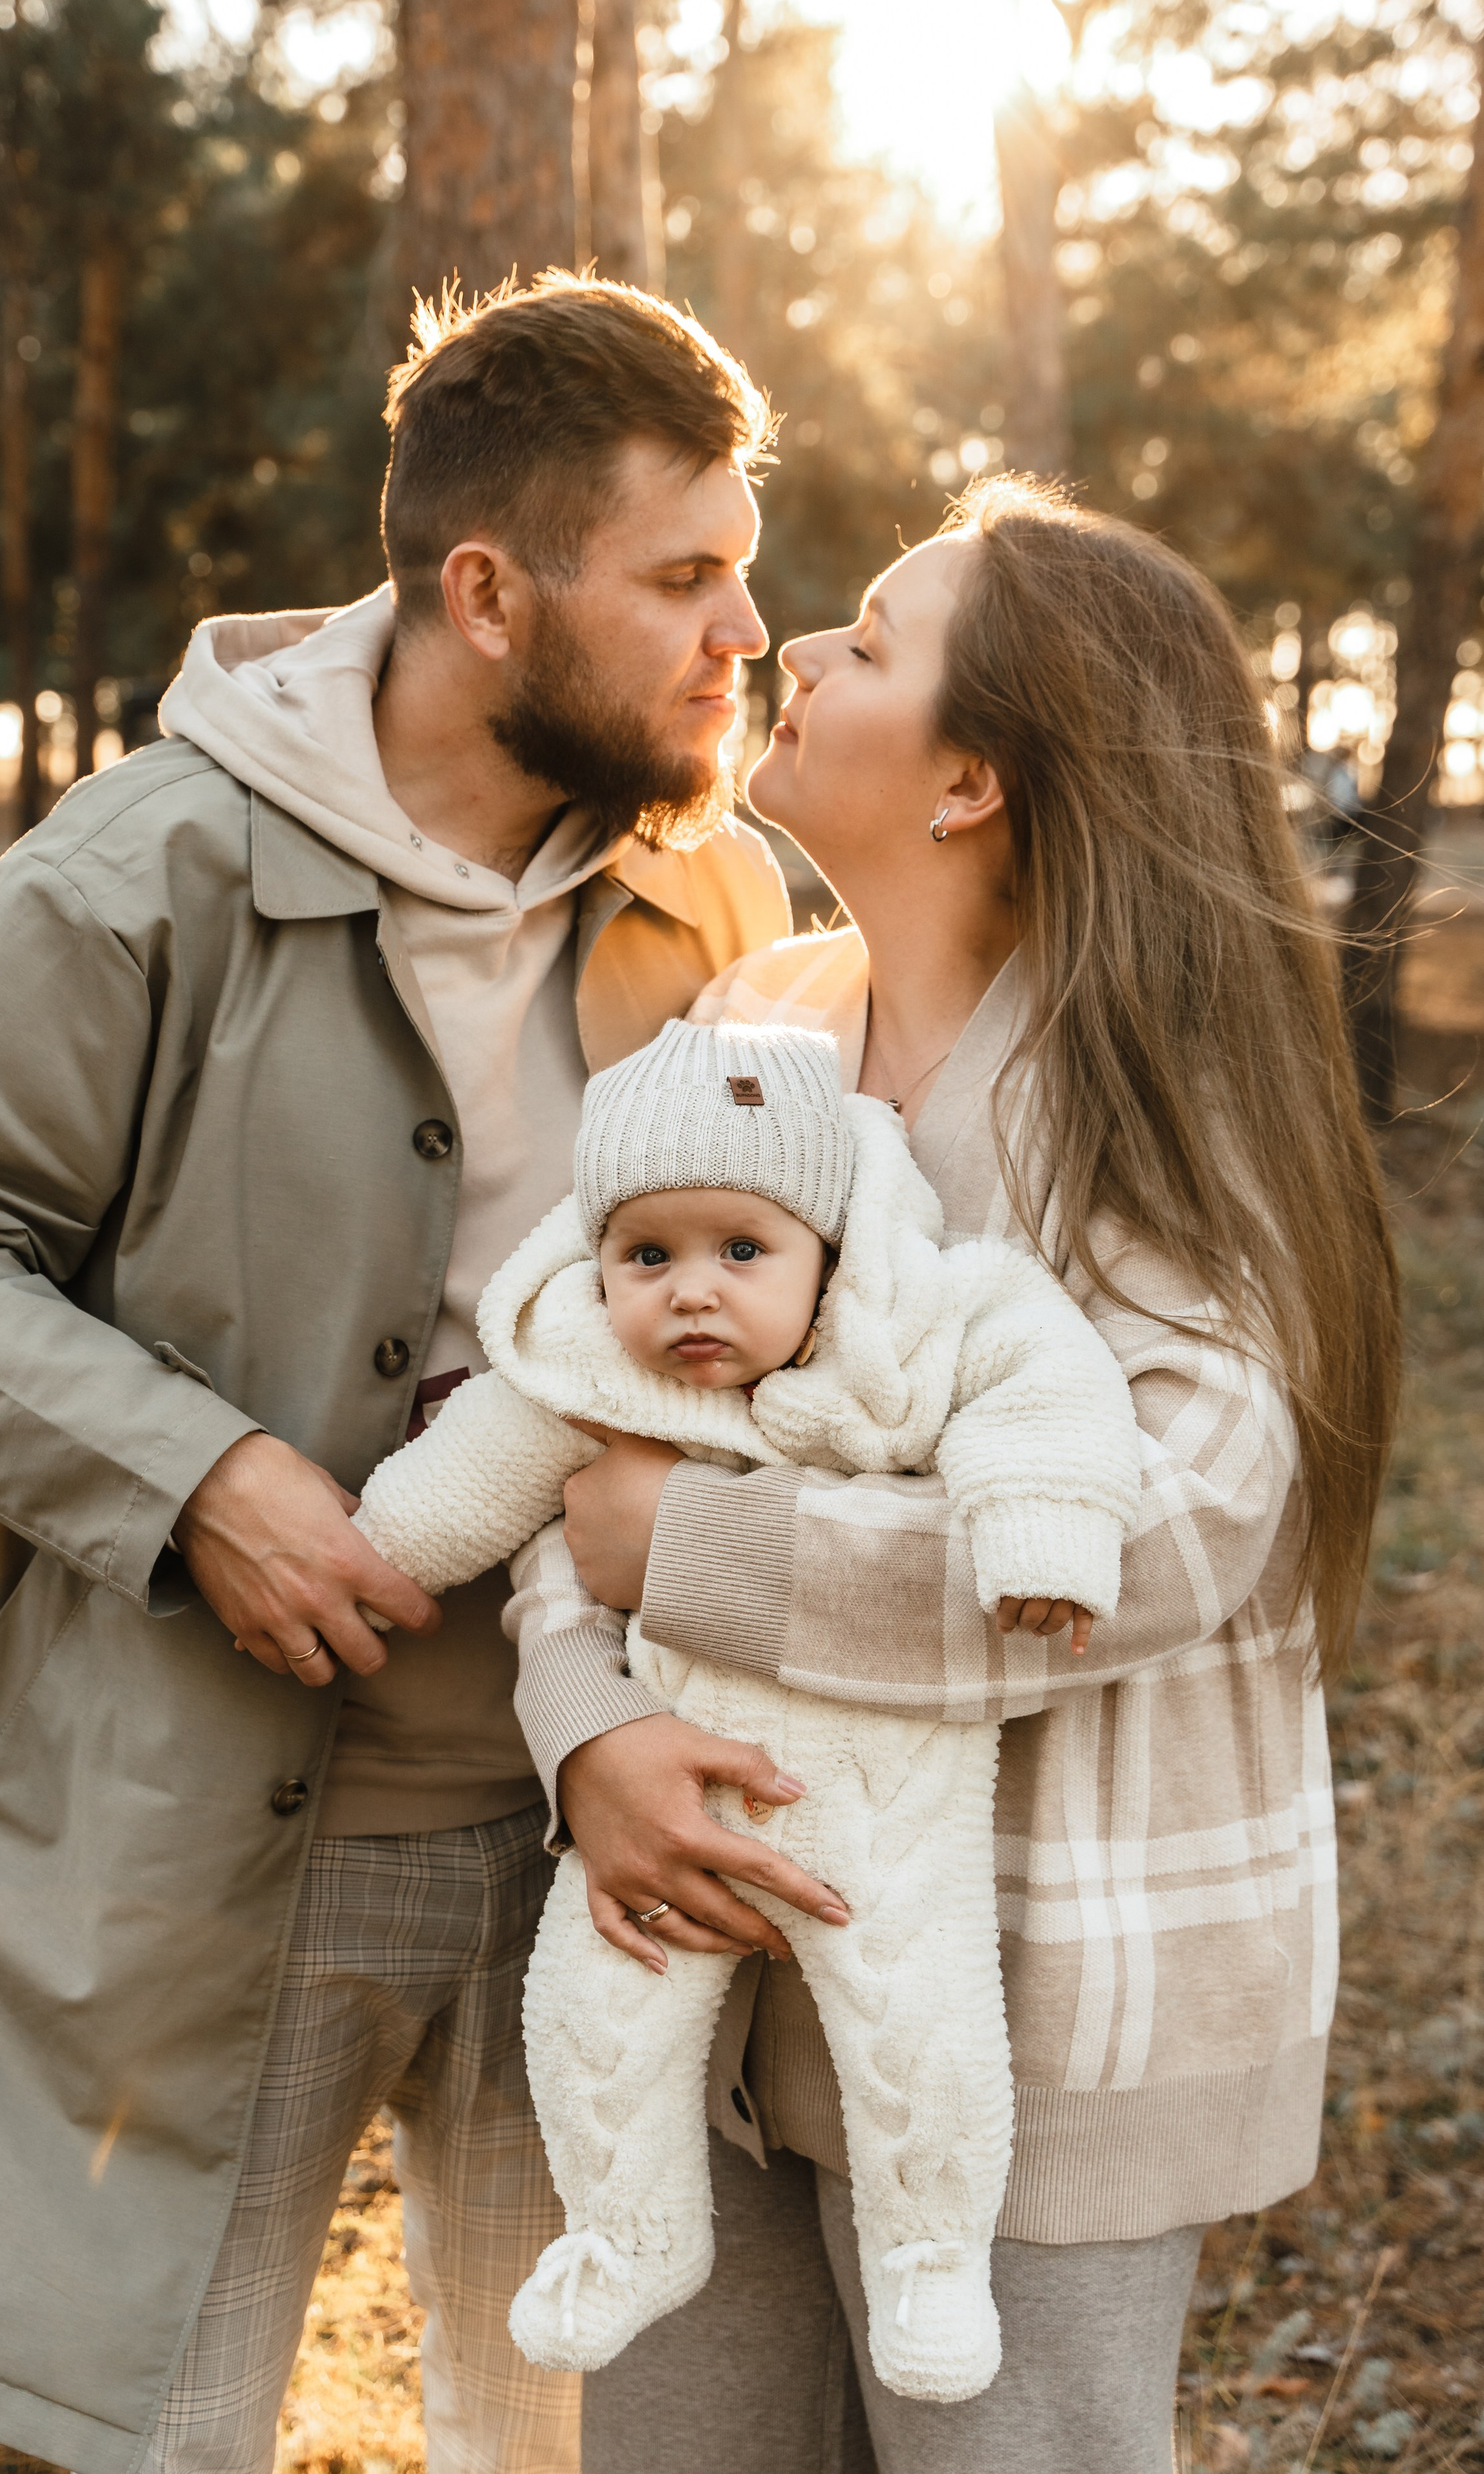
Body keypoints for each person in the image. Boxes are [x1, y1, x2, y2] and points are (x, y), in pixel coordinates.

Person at [0, 272, 799, 2474]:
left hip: (598, 1825)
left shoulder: (730, 899)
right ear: (485, 591)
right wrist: (204, 1475)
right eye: (686, 577)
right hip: (208, 1836)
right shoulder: (134, 875)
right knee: (153, 2430)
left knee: (569, 2442)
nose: (749, 632)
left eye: (750, 568)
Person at [510, 477, 1401, 2473]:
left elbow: (1158, 1533)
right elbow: (589, 1431)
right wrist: (587, 1732)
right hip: (709, 1955)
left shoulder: (1155, 1111)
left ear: (975, 778)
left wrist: (704, 1555)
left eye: (872, 641)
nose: (794, 654)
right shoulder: (761, 1041)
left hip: (1029, 2006)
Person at [347, 1011, 1139, 2399]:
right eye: (646, 1255)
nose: (690, 1293)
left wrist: (1040, 1537)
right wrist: (370, 1558)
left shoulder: (917, 1328)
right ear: (595, 1260)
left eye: (740, 1251)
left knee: (920, 2021)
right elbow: (468, 1472)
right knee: (590, 2007)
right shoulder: (586, 1365)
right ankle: (627, 2231)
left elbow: (1047, 1385)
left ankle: (927, 2259)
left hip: (882, 1785)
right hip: (668, 1781)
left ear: (823, 1253)